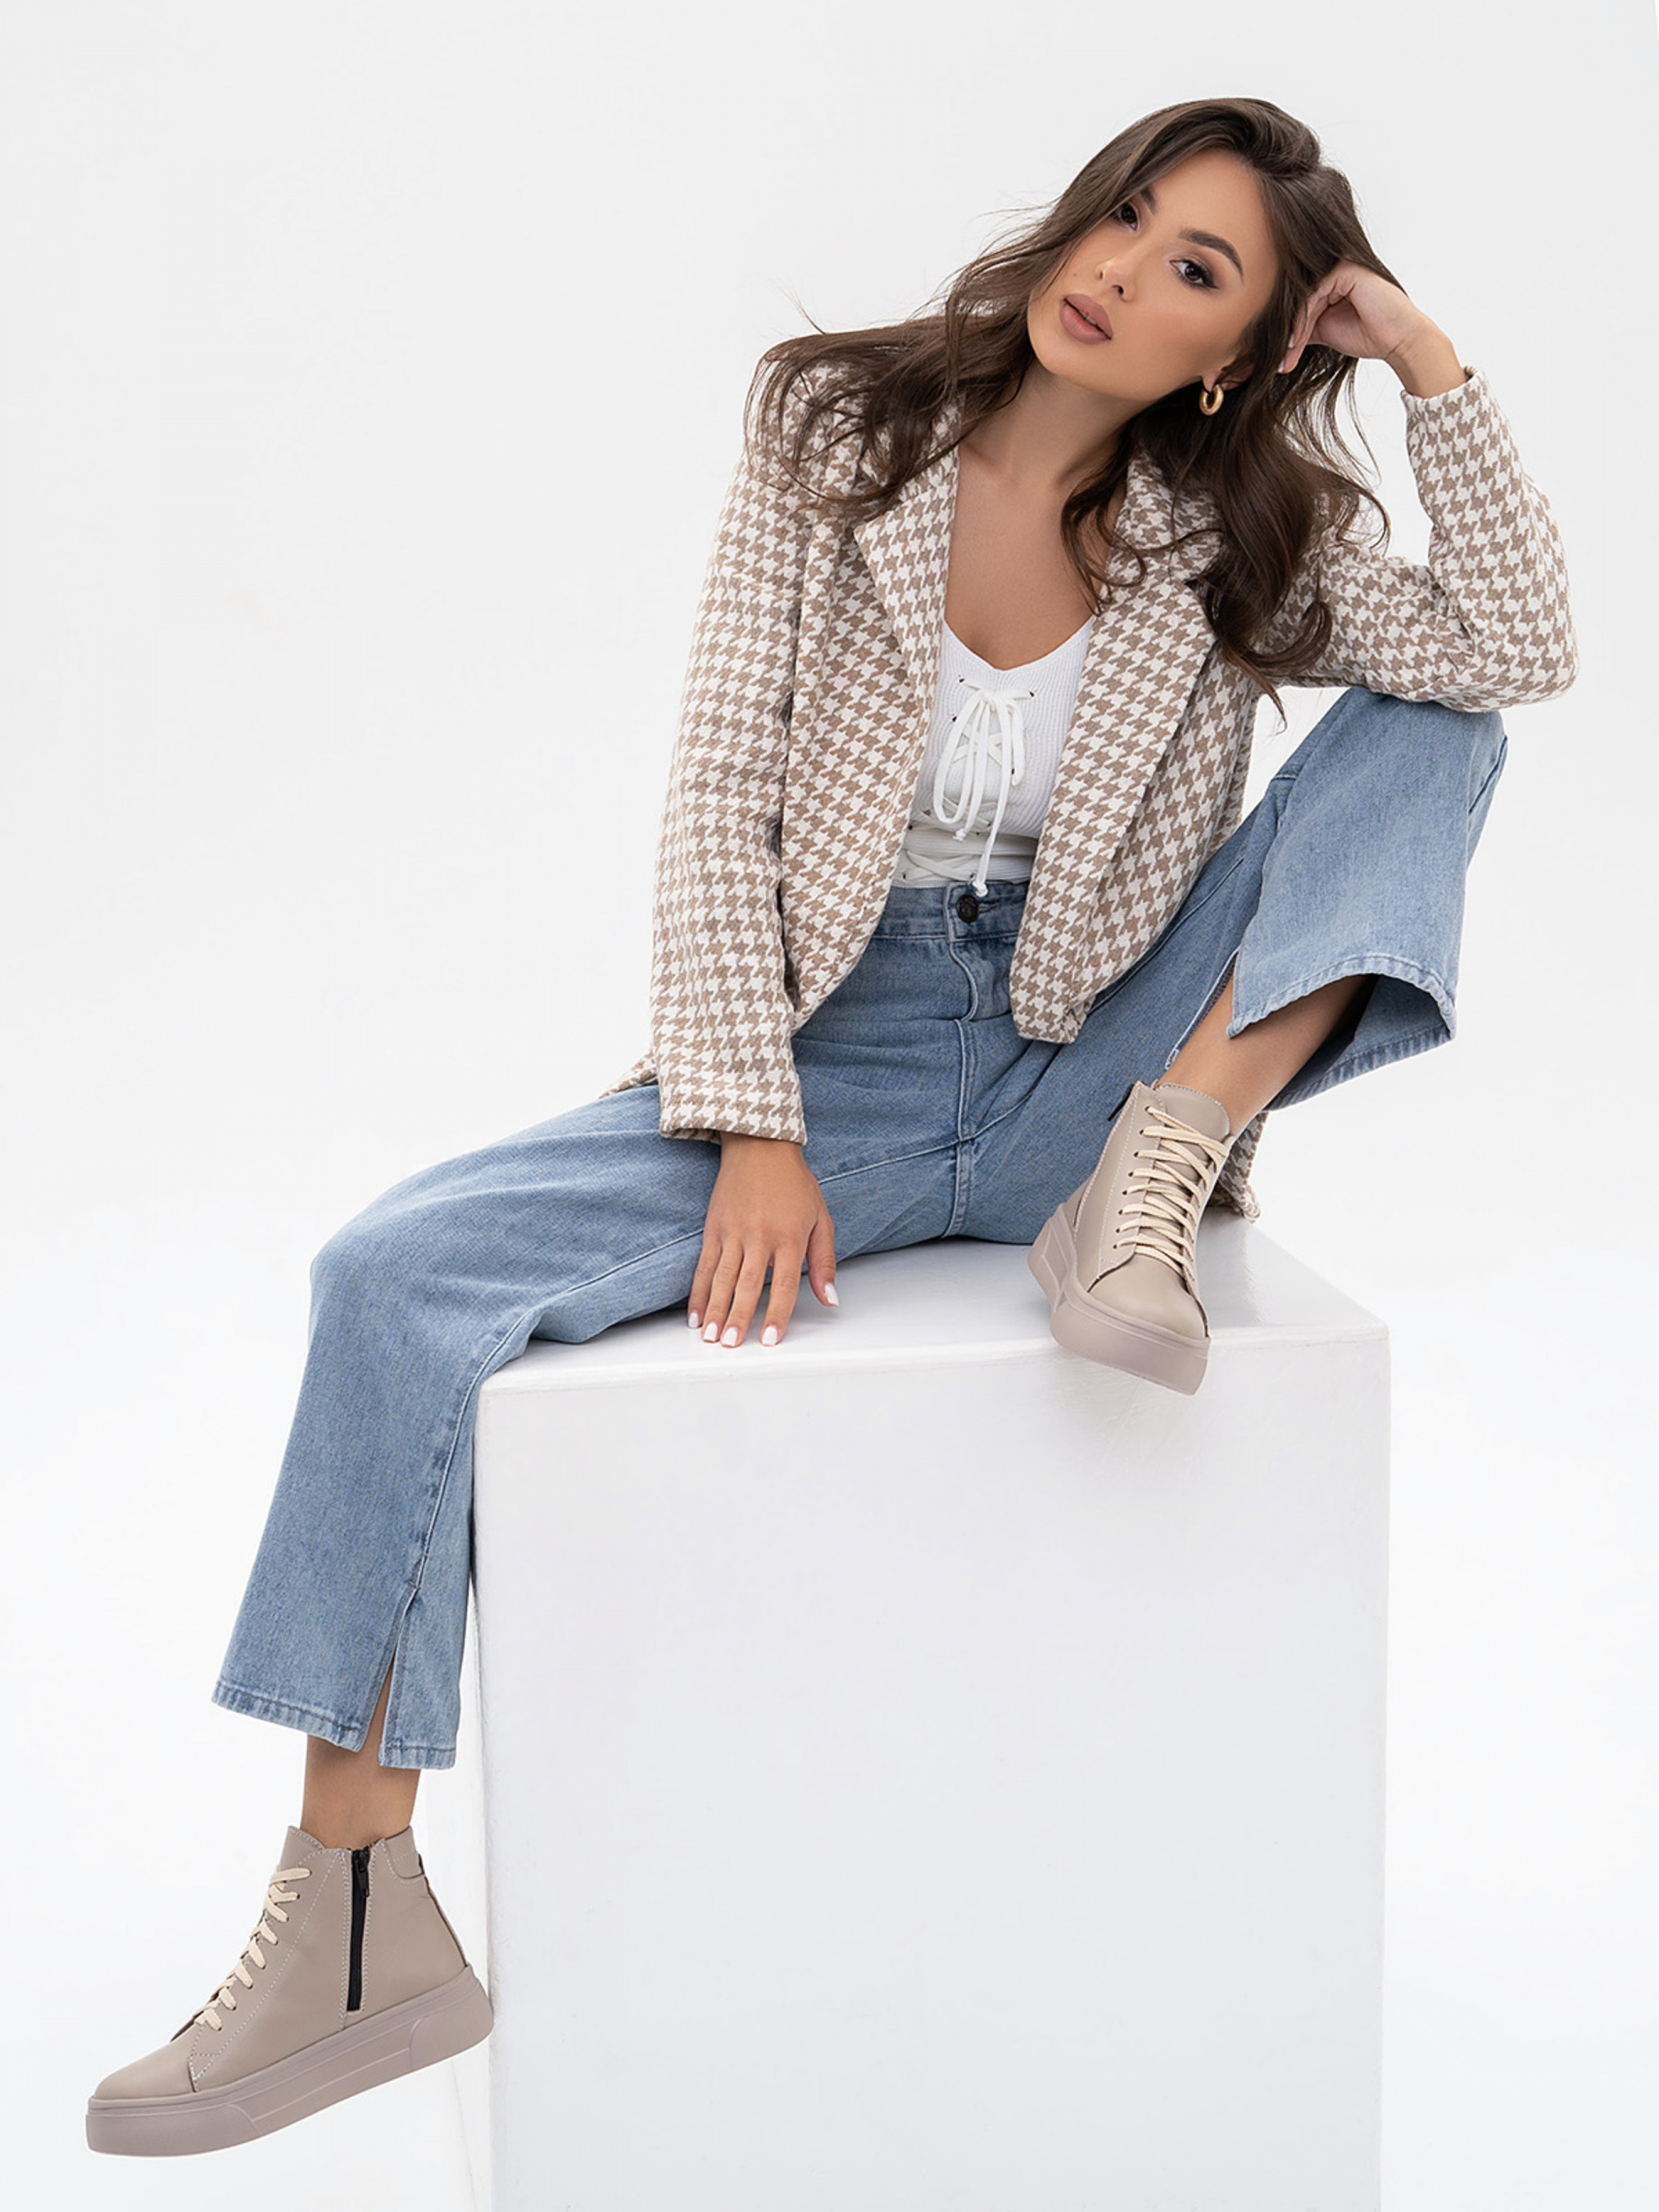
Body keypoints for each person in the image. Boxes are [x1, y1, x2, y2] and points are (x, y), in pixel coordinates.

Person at [85, 94, 1575, 2155]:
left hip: (1094, 1072)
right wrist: (750, 1121)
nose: (1118, 267)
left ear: (1234, 354)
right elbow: (719, 787)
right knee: (391, 1277)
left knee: (1438, 727)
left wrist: (1420, 358)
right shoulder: (832, 434)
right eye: (1127, 214)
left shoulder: (1233, 539)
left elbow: (1516, 646)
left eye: (1196, 268)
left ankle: (1157, 1176)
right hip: (834, 1054)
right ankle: (355, 1920)